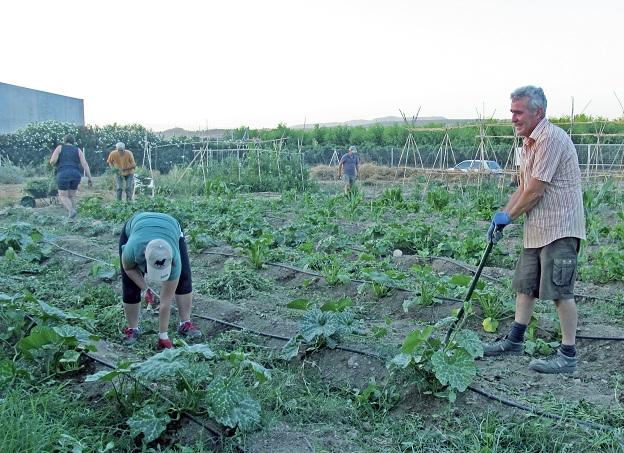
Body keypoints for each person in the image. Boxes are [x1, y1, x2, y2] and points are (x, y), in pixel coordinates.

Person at [483, 86, 586, 374]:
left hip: (560, 227)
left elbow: (536, 190)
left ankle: (568, 354)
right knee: (525, 286)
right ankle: (514, 341)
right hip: (537, 228)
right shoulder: (529, 143)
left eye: (518, 112)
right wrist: (502, 215)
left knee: (560, 292)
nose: (513, 118)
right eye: (512, 112)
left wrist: (510, 218)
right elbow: (524, 187)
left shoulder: (550, 138)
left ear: (537, 112)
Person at [119, 212, 202, 349]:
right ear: (144, 255)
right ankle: (132, 329)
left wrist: (163, 335)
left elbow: (166, 300)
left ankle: (185, 323)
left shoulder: (174, 258)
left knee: (184, 278)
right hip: (138, 225)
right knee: (130, 285)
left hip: (170, 226)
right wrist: (145, 288)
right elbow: (129, 269)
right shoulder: (132, 249)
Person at [49, 134, 93, 219]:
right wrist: (90, 178)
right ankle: (73, 218)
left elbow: (52, 161)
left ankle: (71, 211)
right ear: (73, 141)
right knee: (71, 196)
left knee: (62, 195)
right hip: (76, 174)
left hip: (63, 173)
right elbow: (84, 164)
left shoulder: (60, 147)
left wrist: (53, 163)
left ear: (64, 141)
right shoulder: (78, 150)